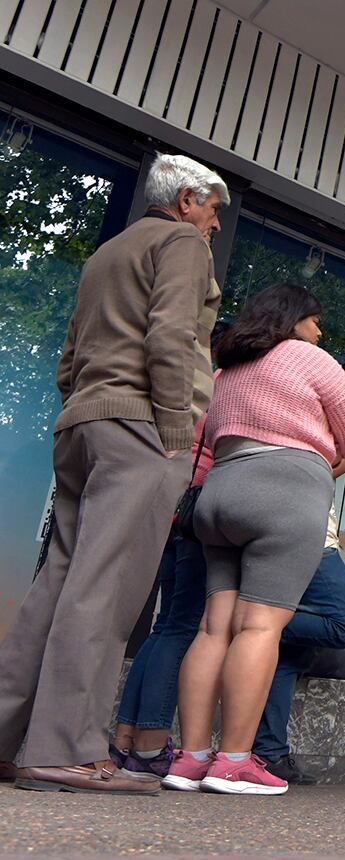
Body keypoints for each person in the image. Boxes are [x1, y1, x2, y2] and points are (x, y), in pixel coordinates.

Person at [0, 154, 225, 794]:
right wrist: (178, 430)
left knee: (59, 584)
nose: (213, 224)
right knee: (107, 589)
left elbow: (71, 357)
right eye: (211, 209)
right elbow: (173, 334)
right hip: (142, 430)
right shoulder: (182, 242)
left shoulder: (106, 255)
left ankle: (12, 741)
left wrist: (88, 402)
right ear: (186, 200)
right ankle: (67, 750)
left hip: (84, 424)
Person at [166, 283, 345, 796]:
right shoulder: (309, 357)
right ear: (292, 319)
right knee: (260, 628)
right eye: (314, 319)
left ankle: (190, 759)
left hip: (220, 495)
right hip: (284, 494)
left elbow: (211, 437)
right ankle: (235, 761)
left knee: (214, 629)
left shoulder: (229, 366)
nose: (319, 331)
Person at [251, 365, 345, 784]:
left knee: (289, 658)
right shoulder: (301, 422)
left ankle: (269, 752)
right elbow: (295, 483)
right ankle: (253, 624)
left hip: (306, 533)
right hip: (304, 537)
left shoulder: (322, 433)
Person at [110, 320, 231, 777]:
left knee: (163, 628)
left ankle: (126, 736)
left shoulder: (197, 387)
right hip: (199, 518)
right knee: (182, 628)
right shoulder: (229, 388)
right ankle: (150, 744)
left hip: (171, 512)